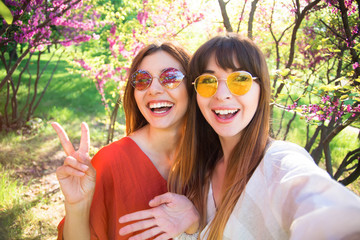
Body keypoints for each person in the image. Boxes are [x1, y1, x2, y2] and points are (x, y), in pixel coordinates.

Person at [119, 33, 360, 239]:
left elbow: (324, 208)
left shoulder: (278, 162)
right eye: (207, 81)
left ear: (261, 90)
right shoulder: (200, 174)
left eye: (240, 80)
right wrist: (192, 226)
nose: (221, 94)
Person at [52, 42, 200, 240]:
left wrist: (194, 222)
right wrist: (76, 206)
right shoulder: (110, 161)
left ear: (192, 87)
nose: (153, 89)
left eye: (170, 77)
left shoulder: (212, 156)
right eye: (142, 80)